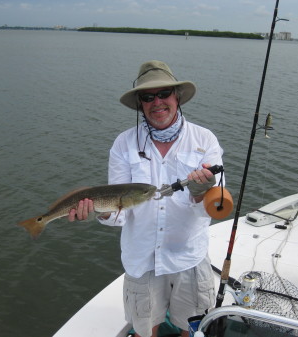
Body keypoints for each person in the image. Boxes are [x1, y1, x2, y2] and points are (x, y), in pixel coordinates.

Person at [68, 60, 224, 337]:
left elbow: (215, 207)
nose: (157, 102)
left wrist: (201, 194)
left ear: (177, 96)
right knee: (142, 330)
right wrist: (99, 212)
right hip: (142, 257)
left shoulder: (205, 140)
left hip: (188, 255)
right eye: (148, 97)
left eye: (164, 94)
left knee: (191, 328)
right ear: (140, 104)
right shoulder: (123, 144)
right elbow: (119, 212)